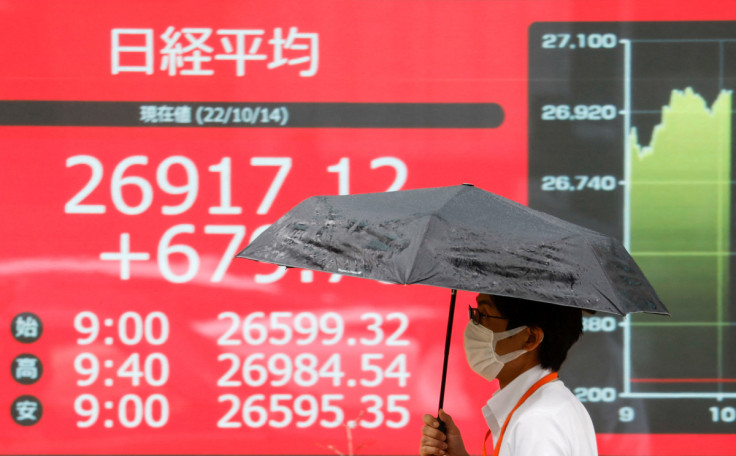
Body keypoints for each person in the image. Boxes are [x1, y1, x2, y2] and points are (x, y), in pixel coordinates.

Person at [419, 293, 597, 456]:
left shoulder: (538, 421)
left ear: (530, 339)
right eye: (475, 313)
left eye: (484, 315)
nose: (474, 325)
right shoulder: (546, 407)